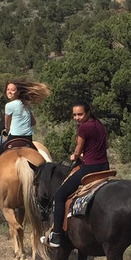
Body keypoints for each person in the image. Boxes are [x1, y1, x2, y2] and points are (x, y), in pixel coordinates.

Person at [46, 101, 109, 248]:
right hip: (105, 166)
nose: (76, 118)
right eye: (74, 115)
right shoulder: (98, 124)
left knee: (59, 196)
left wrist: (74, 155)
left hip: (90, 168)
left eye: (80, 114)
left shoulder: (84, 127)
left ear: (87, 112)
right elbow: (105, 146)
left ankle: (56, 235)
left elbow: (78, 149)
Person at [0, 79, 47, 199]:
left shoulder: (9, 106)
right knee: (42, 162)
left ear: (18, 92)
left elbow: (6, 124)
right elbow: (33, 122)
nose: (9, 92)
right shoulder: (26, 105)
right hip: (28, 140)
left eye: (12, 90)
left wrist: (7, 129)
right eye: (8, 89)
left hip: (13, 138)